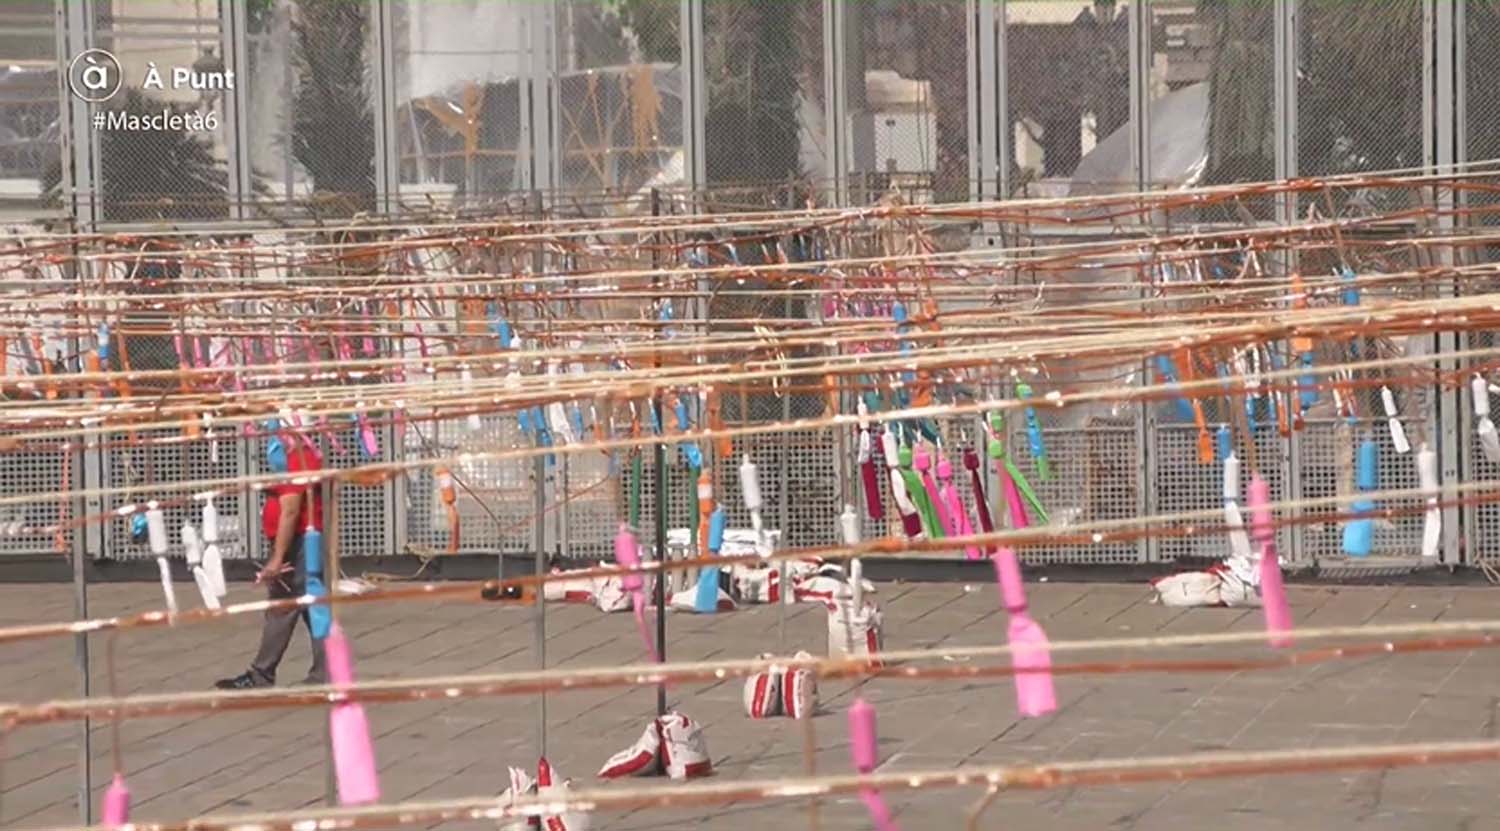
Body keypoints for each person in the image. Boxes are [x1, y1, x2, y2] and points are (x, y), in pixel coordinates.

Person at [215, 423, 327, 689]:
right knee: (313, 608)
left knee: (283, 606)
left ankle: (262, 674)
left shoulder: (299, 458)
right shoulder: (299, 457)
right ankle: (327, 673)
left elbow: (291, 510)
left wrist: (278, 557)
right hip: (303, 542)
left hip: (300, 544)